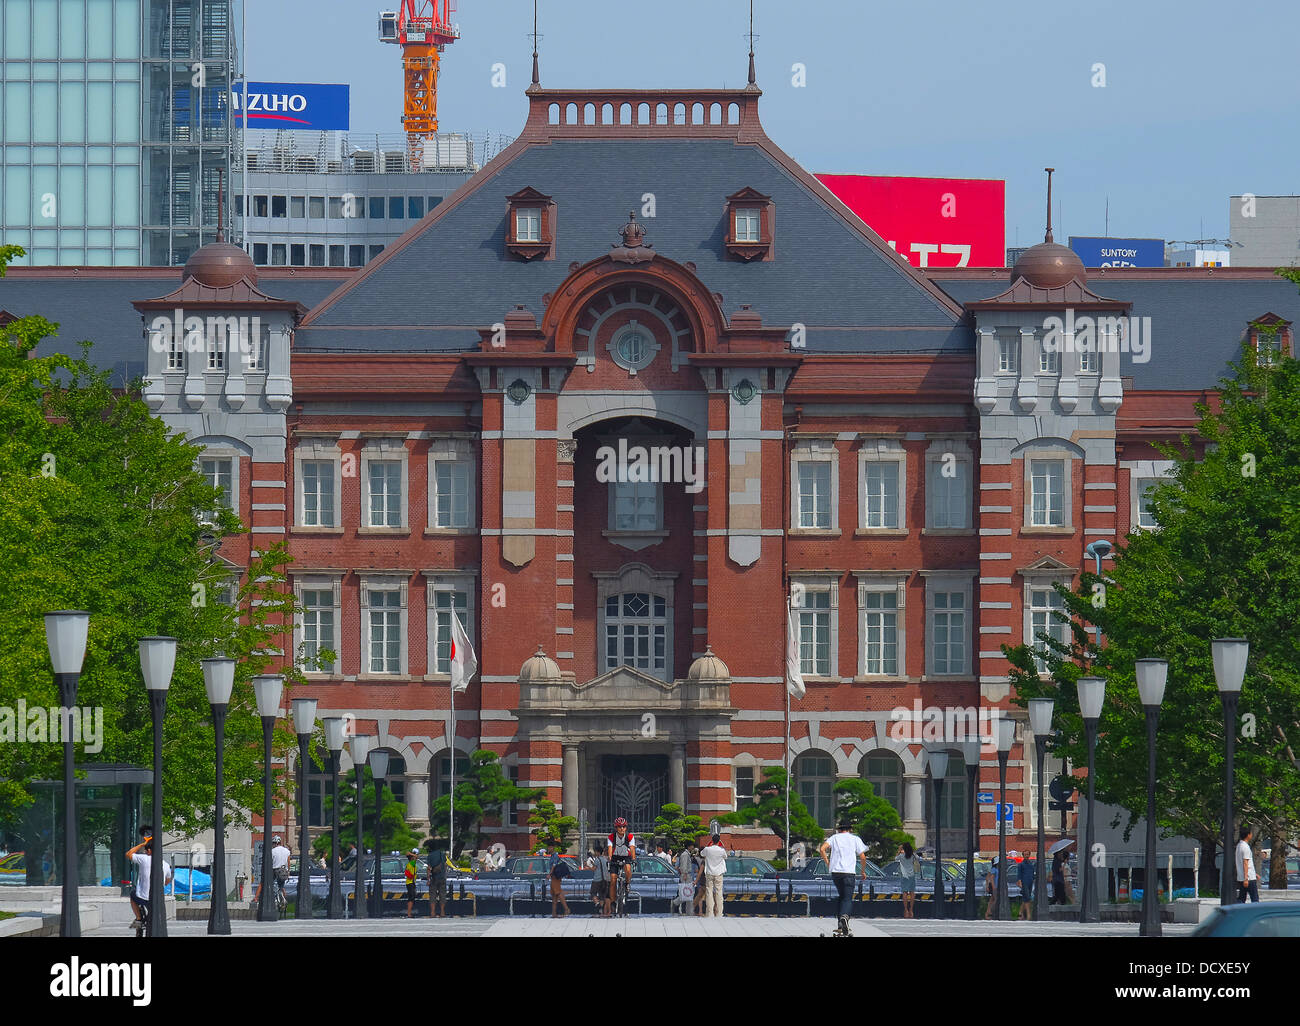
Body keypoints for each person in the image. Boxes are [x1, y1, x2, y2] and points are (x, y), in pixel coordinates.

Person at [820, 821, 868, 936]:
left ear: (839, 829)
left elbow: (822, 849)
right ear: (850, 829)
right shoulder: (855, 839)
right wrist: (862, 871)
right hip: (849, 873)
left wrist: (828, 863)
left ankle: (840, 924)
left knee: (841, 896)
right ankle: (844, 917)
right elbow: (863, 857)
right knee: (847, 898)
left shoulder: (834, 838)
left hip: (836, 872)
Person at [126, 835, 173, 935]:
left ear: (150, 851)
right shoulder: (165, 864)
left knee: (132, 895)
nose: (144, 852)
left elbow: (129, 854)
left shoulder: (144, 859)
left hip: (143, 897)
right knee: (152, 917)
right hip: (158, 899)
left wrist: (143, 844)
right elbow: (168, 880)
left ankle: (139, 918)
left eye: (146, 850)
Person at [606, 817, 636, 910]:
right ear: (616, 828)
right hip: (615, 857)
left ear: (626, 827)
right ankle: (613, 901)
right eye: (619, 827)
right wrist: (610, 858)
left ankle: (627, 883)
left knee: (627, 869)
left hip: (626, 856)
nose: (622, 828)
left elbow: (632, 848)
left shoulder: (630, 836)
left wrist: (633, 859)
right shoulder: (611, 837)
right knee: (613, 879)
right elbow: (610, 848)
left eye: (623, 826)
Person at [700, 832, 728, 918]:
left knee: (709, 892)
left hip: (709, 872)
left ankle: (710, 912)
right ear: (719, 841)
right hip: (719, 873)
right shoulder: (721, 850)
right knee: (719, 892)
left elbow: (701, 854)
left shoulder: (707, 849)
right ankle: (719, 913)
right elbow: (725, 857)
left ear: (712, 840)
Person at [1236, 825, 1259, 903]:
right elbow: (1245, 863)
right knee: (1254, 898)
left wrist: (1254, 873)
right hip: (1248, 878)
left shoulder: (1239, 846)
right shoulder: (1245, 847)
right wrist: (1246, 878)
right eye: (1251, 833)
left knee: (1242, 898)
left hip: (1241, 877)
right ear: (1248, 835)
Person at [897, 841, 920, 919]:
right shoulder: (912, 855)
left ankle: (906, 910)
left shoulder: (901, 855)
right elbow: (918, 858)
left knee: (905, 893)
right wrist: (912, 852)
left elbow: (895, 859)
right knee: (912, 892)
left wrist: (899, 850)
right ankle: (911, 910)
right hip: (911, 875)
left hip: (904, 875)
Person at [548, 848, 572, 917]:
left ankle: (566, 909)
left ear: (552, 847)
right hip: (553, 877)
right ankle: (554, 913)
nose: (548, 849)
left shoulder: (555, 856)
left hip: (555, 876)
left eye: (549, 847)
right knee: (554, 895)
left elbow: (554, 865)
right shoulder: (552, 856)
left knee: (558, 892)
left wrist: (550, 874)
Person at [427, 843, 448, 918]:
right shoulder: (442, 854)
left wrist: (428, 879)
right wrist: (444, 875)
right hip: (442, 877)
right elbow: (445, 865)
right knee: (442, 895)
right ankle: (442, 912)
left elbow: (429, 868)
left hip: (433, 878)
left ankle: (432, 912)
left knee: (433, 895)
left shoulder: (430, 855)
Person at [590, 840, 611, 916]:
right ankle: (601, 911)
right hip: (605, 880)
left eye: (595, 852)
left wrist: (588, 867)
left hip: (597, 879)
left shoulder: (597, 859)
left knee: (592, 893)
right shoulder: (605, 859)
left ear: (598, 852)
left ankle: (597, 903)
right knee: (602, 895)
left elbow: (594, 869)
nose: (595, 853)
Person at [1020, 850, 1037, 919]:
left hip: (1030, 882)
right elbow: (1019, 874)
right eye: (1025, 854)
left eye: (1028, 854)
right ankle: (1028, 915)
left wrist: (1033, 879)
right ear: (1023, 856)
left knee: (1025, 898)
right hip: (1024, 883)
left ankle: (1020, 914)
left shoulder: (1031, 864)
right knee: (1027, 898)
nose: (1027, 856)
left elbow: (1033, 874)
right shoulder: (1021, 864)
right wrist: (1019, 881)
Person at [404, 848, 420, 918]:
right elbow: (409, 854)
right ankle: (409, 914)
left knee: (412, 898)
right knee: (411, 898)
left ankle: (409, 913)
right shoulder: (411, 863)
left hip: (411, 882)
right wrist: (413, 854)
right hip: (410, 883)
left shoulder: (410, 864)